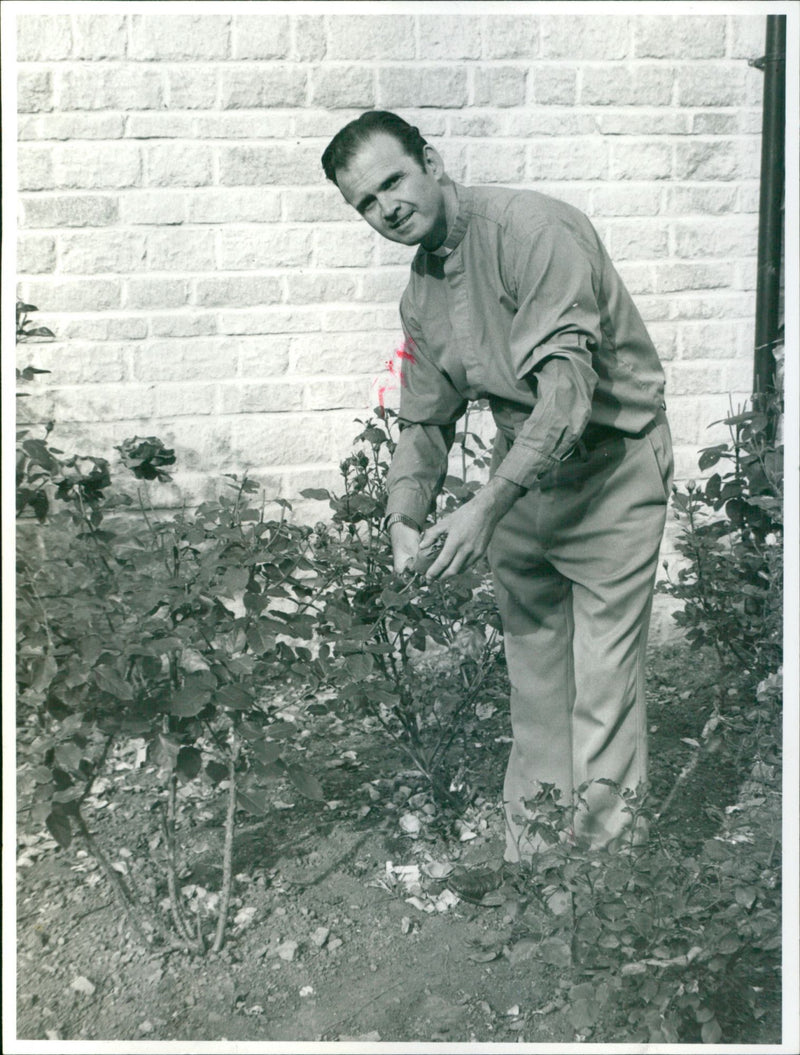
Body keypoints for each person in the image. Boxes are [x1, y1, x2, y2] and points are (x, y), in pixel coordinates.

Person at [321, 111, 673, 868]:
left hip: (610, 470)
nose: (387, 208)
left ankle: (602, 884)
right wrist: (403, 518)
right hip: (521, 482)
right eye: (366, 203)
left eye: (392, 181)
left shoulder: (533, 231)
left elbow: (567, 394)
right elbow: (424, 418)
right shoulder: (421, 293)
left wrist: (483, 507)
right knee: (536, 681)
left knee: (604, 687)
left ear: (432, 161)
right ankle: (537, 864)